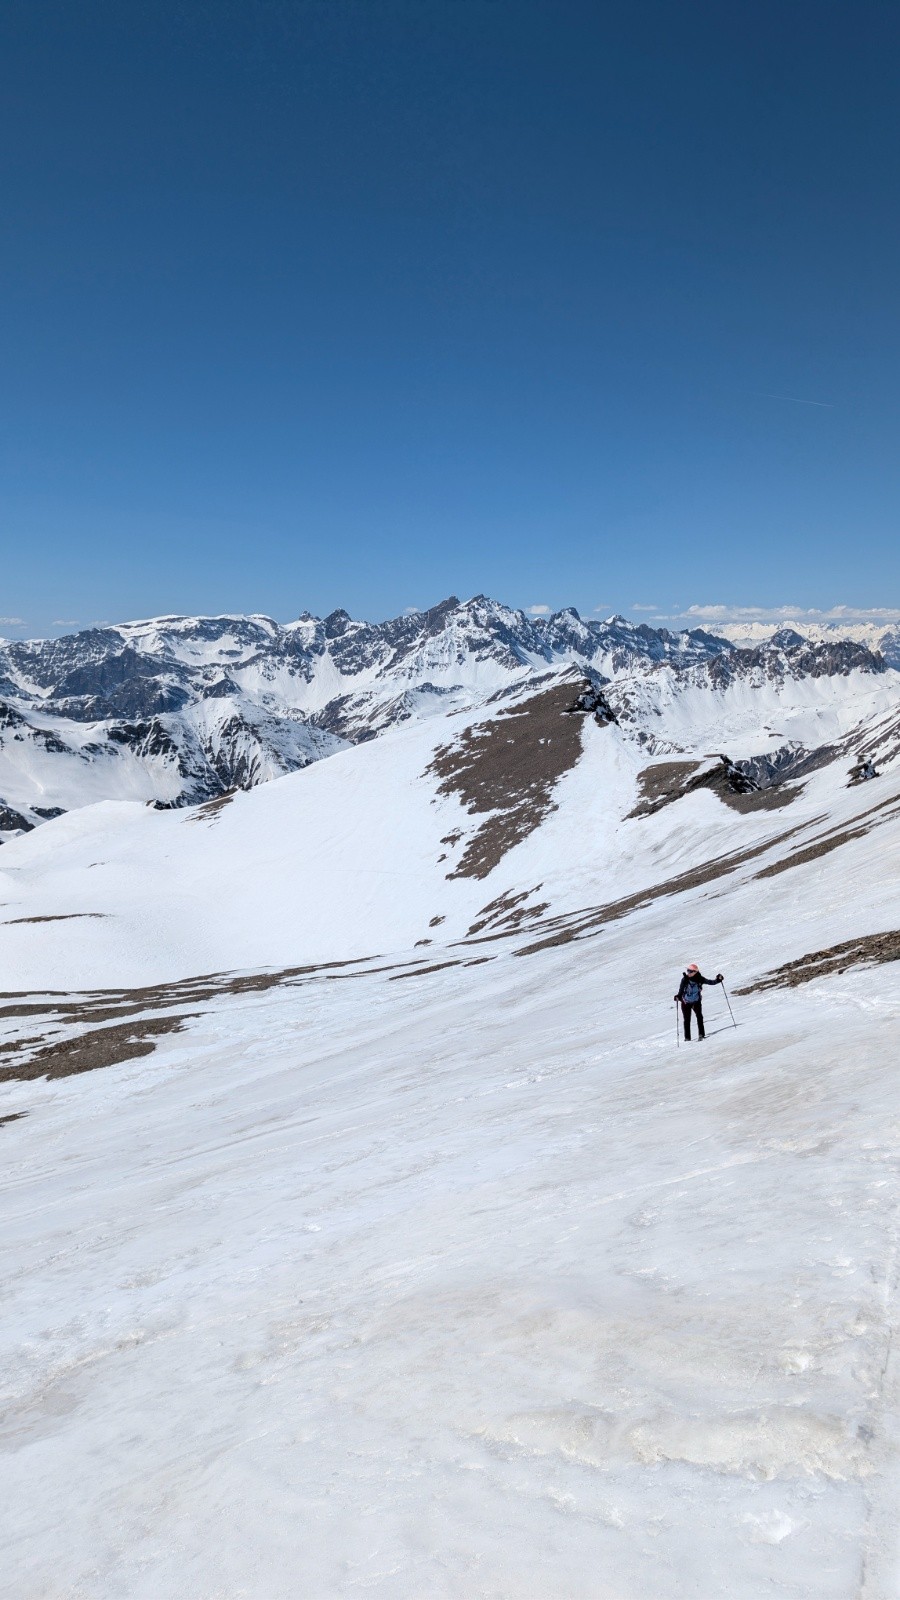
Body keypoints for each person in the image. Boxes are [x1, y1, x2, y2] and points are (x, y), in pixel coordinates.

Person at [674, 963, 723, 1041]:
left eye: (690, 971)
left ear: (695, 972)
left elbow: (711, 982)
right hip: (685, 1002)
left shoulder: (700, 979)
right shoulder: (685, 980)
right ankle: (687, 1038)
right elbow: (680, 991)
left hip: (696, 1001)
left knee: (699, 1017)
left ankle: (701, 1034)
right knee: (687, 1020)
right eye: (687, 971)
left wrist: (718, 979)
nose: (688, 973)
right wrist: (678, 997)